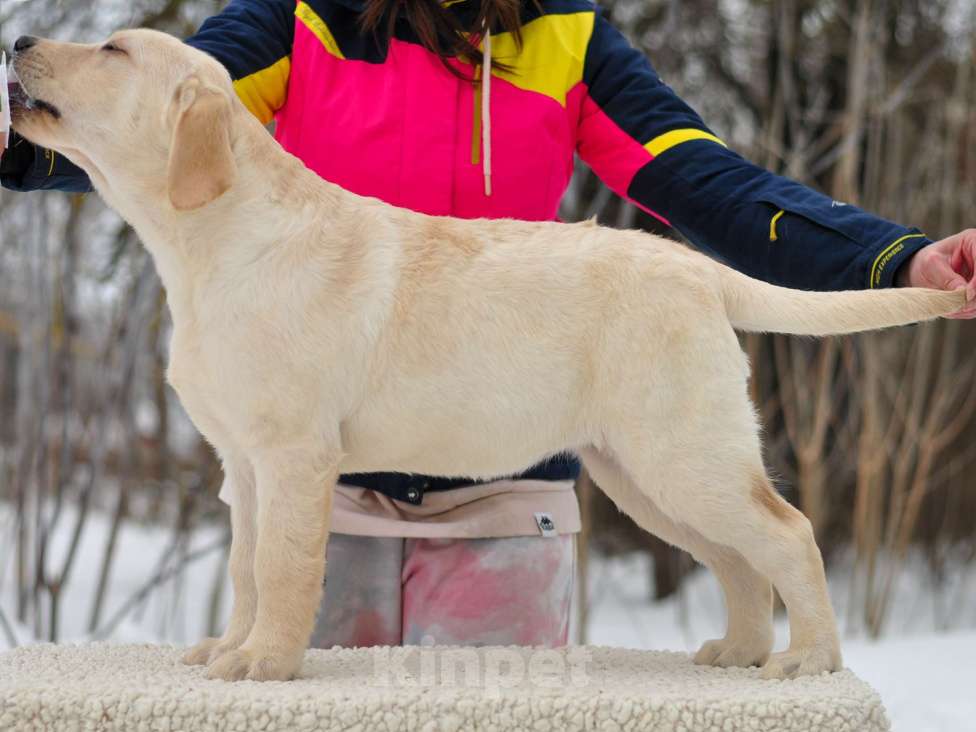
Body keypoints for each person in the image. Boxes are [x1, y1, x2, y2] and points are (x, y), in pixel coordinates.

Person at [3, 0, 974, 649]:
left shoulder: (570, 39)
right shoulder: (294, 19)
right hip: (321, 507)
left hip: (510, 501)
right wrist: (19, 143)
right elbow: (148, 116)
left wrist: (892, 258)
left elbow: (703, 181)